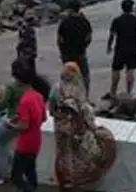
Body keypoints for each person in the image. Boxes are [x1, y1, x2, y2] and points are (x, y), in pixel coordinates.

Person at [50, 62, 117, 190]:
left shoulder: (56, 89)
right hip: (77, 131)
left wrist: (61, 119)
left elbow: (51, 110)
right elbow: (84, 113)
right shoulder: (78, 90)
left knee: (63, 156)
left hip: (60, 130)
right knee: (87, 155)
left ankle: (65, 182)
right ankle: (76, 182)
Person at [9, 60, 48, 192]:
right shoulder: (38, 96)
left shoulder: (25, 101)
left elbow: (24, 127)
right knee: (30, 171)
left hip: (25, 144)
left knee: (16, 176)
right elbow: (43, 118)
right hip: (36, 141)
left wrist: (11, 125)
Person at [107, 0, 136, 98]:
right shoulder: (135, 19)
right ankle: (129, 92)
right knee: (130, 70)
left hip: (120, 47)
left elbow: (112, 35)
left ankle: (113, 92)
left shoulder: (117, 20)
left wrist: (109, 46)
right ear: (132, 8)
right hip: (133, 48)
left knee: (116, 70)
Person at [57, 0, 93, 94]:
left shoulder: (64, 22)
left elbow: (60, 39)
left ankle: (69, 96)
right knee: (85, 76)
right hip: (81, 53)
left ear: (70, 9)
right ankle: (85, 97)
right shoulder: (84, 21)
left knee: (68, 77)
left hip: (67, 55)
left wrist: (62, 52)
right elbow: (89, 38)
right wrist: (84, 46)